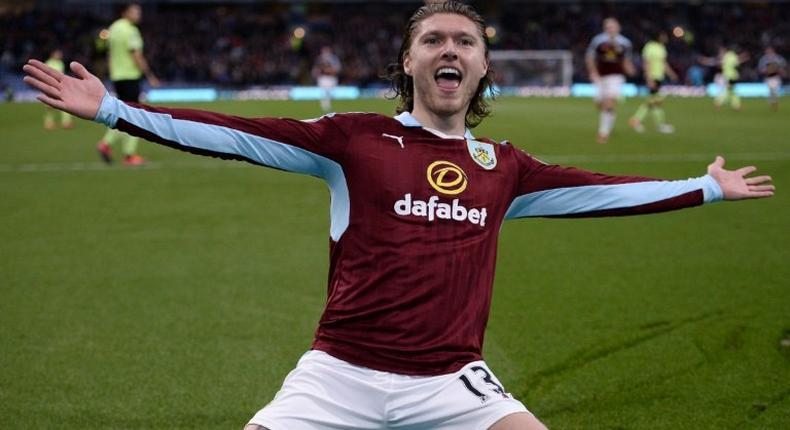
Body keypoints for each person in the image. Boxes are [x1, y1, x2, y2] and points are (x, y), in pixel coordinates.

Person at [22, 2, 774, 429]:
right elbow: (235, 133)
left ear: (482, 67)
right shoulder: (352, 140)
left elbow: (603, 192)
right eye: (433, 39)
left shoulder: (506, 168)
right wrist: (117, 110)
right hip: (336, 379)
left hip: (453, 383)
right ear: (409, 62)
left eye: (465, 41)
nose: (450, 49)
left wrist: (703, 187)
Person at [96, 2, 159, 166]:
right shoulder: (131, 30)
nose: (139, 14)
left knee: (124, 113)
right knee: (133, 116)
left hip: (117, 76)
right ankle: (127, 153)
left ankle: (108, 144)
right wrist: (150, 75)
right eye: (135, 11)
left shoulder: (113, 28)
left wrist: (110, 74)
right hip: (130, 76)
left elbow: (109, 53)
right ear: (125, 12)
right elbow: (136, 55)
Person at [585, 17, 635, 144]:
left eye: (612, 26)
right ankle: (609, 118)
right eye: (608, 27)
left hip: (616, 76)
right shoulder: (598, 41)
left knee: (609, 101)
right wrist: (593, 72)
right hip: (600, 77)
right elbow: (590, 57)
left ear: (618, 27)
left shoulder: (625, 43)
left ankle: (603, 132)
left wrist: (630, 69)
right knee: (599, 103)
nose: (610, 29)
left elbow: (626, 60)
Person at [629, 30, 678, 134]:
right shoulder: (649, 47)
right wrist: (648, 78)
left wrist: (671, 74)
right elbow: (646, 63)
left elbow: (664, 63)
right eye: (664, 35)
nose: (666, 37)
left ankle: (636, 120)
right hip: (653, 76)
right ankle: (659, 125)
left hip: (659, 77)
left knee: (653, 101)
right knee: (656, 102)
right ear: (659, 36)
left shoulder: (662, 48)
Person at [699, 45, 749, 111]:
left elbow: (715, 62)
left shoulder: (724, 57)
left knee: (731, 91)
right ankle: (720, 102)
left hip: (727, 76)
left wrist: (705, 60)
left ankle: (734, 105)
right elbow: (736, 62)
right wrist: (744, 57)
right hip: (732, 76)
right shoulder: (731, 55)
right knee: (730, 91)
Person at [43, 49, 75, 130]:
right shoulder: (48, 63)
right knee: (50, 106)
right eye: (58, 54)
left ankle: (66, 122)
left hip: (59, 86)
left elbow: (61, 75)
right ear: (53, 54)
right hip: (50, 86)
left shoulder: (60, 63)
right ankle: (49, 122)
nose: (60, 55)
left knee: (64, 104)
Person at [312, 45, 342, 113]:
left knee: (331, 93)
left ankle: (327, 104)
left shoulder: (334, 58)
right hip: (323, 78)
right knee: (324, 92)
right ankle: (324, 105)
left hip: (331, 78)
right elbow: (316, 69)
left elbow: (337, 68)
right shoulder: (319, 59)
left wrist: (330, 70)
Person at [757, 46, 787, 111]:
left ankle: (775, 102)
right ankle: (771, 103)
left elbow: (783, 66)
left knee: (775, 90)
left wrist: (780, 71)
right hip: (768, 77)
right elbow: (761, 69)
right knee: (771, 91)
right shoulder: (764, 59)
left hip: (776, 77)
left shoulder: (778, 58)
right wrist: (766, 70)